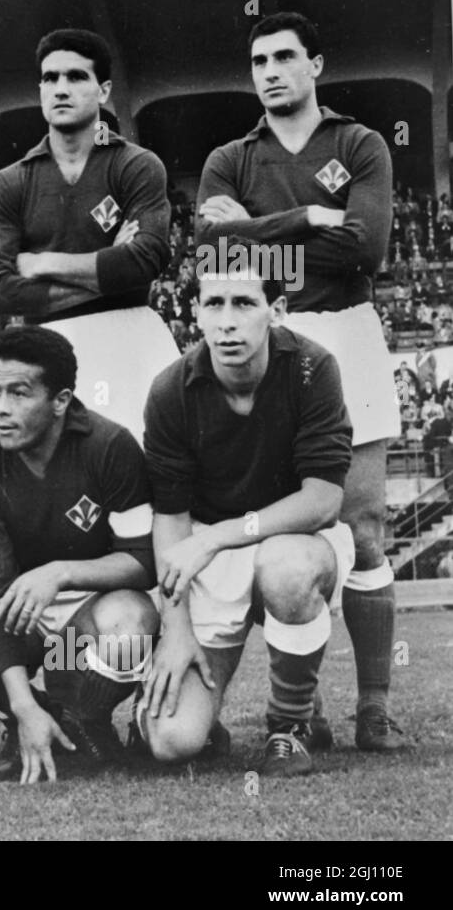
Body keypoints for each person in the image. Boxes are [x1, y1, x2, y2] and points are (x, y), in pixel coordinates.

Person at [196, 12, 405, 750]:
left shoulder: (359, 143)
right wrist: (313, 217)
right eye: (259, 60)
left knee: (364, 529)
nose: (271, 71)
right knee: (282, 532)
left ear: (315, 64)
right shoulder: (230, 156)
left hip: (347, 330)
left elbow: (366, 247)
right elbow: (213, 251)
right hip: (262, 341)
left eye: (286, 57)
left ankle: (373, 706)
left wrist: (256, 227)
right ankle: (300, 708)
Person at [0, 325, 158, 783]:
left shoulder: (110, 446)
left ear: (61, 401)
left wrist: (60, 573)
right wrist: (22, 704)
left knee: (132, 623)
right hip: (15, 606)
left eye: (19, 393)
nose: (1, 408)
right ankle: (33, 714)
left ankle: (85, 716)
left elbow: (144, 561)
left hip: (90, 604)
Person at [135, 266, 354, 776]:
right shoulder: (172, 388)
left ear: (276, 312)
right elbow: (170, 519)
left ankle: (291, 722)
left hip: (293, 539)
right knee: (171, 740)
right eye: (213, 305)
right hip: (208, 553)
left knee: (286, 569)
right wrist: (177, 627)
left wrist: (218, 538)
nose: (227, 323)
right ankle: (207, 718)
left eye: (244, 303)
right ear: (195, 313)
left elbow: (323, 500)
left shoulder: (312, 368)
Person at [0, 28, 176, 443]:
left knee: (152, 463)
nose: (60, 89)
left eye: (76, 77)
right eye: (50, 79)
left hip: (132, 335)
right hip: (49, 346)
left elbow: (148, 259)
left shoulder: (137, 165)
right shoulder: (10, 182)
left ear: (103, 90)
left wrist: (43, 264)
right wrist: (108, 269)